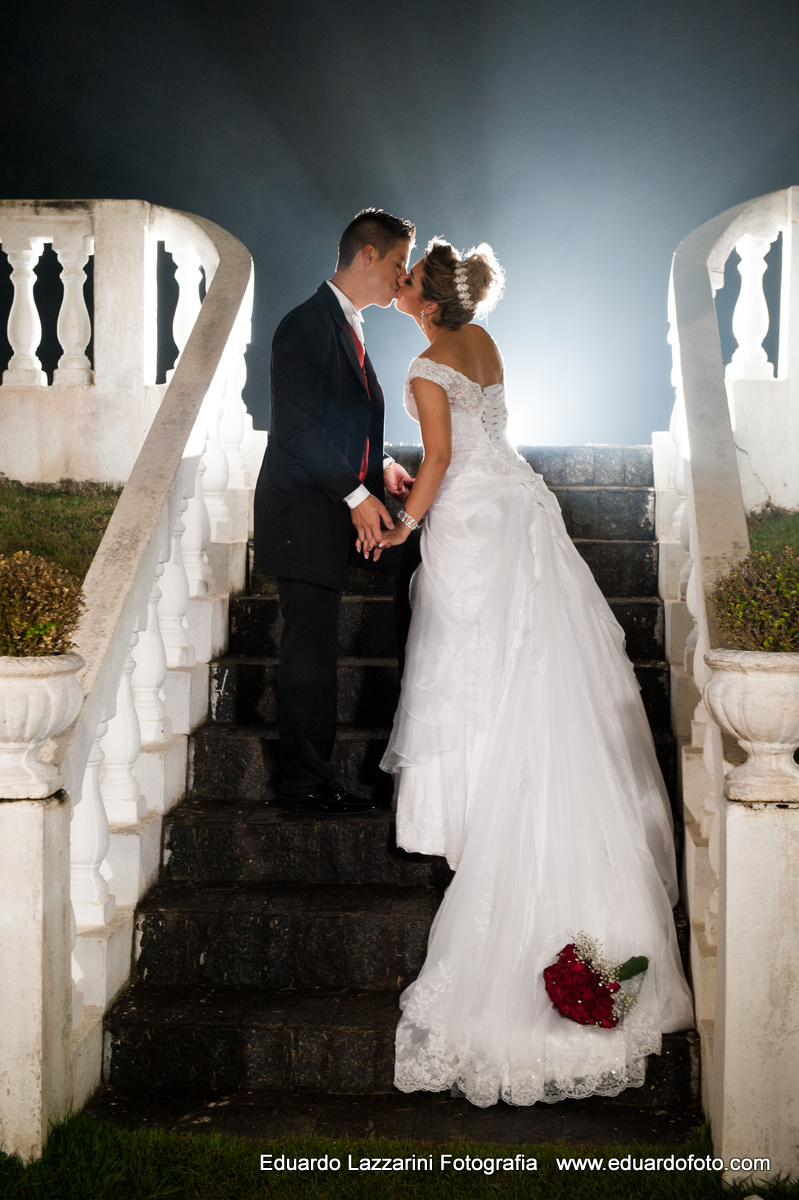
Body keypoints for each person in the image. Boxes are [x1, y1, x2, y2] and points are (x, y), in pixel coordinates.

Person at [377, 238, 694, 1106]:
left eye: (407, 281)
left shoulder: (423, 360)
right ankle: (515, 813)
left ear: (426, 302)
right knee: (533, 668)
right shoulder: (482, 346)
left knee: (471, 669)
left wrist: (404, 523)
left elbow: (441, 461)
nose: (398, 287)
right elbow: (481, 437)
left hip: (476, 522)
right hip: (520, 507)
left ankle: (488, 821)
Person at [253, 209, 420, 816]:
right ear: (368, 255)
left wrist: (380, 474)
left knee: (418, 559)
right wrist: (357, 496)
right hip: (302, 512)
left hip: (340, 505)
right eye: (400, 263)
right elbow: (297, 428)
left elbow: (345, 426)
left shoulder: (349, 326)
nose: (403, 279)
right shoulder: (305, 324)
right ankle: (303, 785)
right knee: (310, 651)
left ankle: (421, 705)